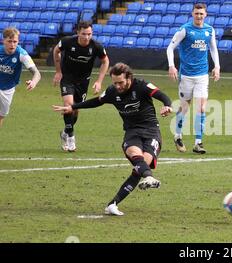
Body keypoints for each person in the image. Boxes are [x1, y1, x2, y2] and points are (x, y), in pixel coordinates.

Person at [53, 63, 173, 216]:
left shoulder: (142, 86)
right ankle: (149, 178)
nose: (118, 86)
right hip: (132, 132)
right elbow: (96, 101)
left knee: (139, 170)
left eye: (121, 82)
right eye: (115, 82)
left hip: (151, 132)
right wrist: (73, 107)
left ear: (129, 78)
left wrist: (167, 106)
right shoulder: (112, 91)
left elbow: (162, 95)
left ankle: (112, 204)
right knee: (136, 158)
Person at [166, 3, 220, 154]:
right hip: (186, 76)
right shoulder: (185, 30)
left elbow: (213, 48)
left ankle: (198, 143)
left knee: (201, 108)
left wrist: (217, 67)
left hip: (202, 75)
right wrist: (171, 66)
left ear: (206, 15)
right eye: (196, 13)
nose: (199, 16)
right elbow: (170, 48)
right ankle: (177, 135)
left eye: (201, 14)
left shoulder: (210, 30)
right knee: (184, 108)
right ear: (192, 14)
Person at [53, 21, 110, 152]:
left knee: (76, 109)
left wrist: (99, 81)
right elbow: (56, 50)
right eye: (84, 34)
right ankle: (71, 137)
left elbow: (105, 61)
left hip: (83, 82)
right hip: (67, 79)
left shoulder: (96, 46)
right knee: (68, 105)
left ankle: (65, 132)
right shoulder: (67, 41)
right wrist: (58, 71)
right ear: (78, 32)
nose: (86, 37)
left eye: (89, 34)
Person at [0, 27, 41, 128]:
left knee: (1, 116)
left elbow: (37, 73)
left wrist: (33, 82)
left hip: (7, 89)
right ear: (3, 40)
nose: (12, 44)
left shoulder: (22, 54)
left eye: (15, 41)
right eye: (9, 41)